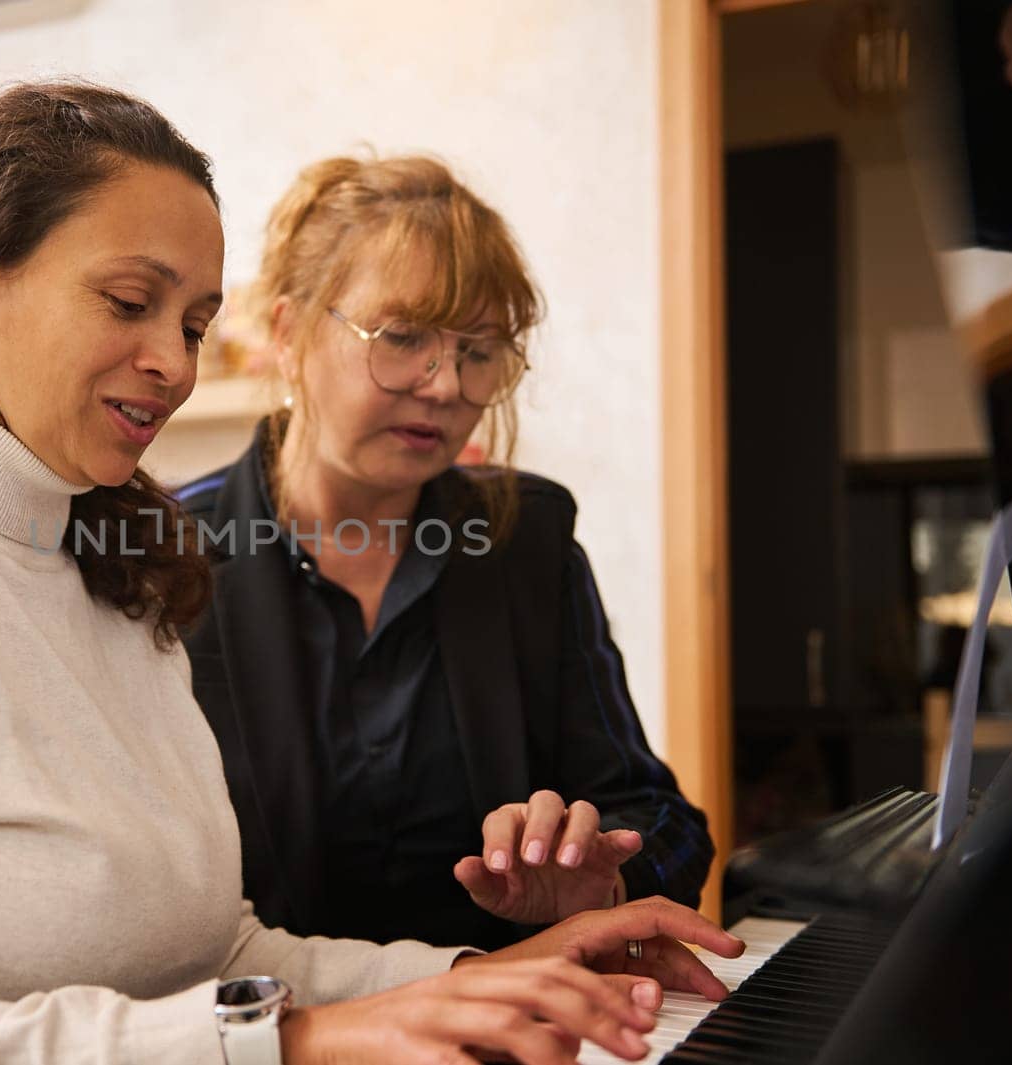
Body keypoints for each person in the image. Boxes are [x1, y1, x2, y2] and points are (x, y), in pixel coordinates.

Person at [0, 81, 742, 1065]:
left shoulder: (121, 567)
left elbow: (218, 950)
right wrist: (296, 1041)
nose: (177, 366)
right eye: (128, 304)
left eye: (190, 325)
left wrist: (477, 981)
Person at [179, 155, 714, 953]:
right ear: (288, 334)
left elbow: (666, 821)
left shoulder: (526, 543)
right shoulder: (167, 556)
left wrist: (599, 878)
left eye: (479, 351)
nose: (444, 385)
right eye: (402, 338)